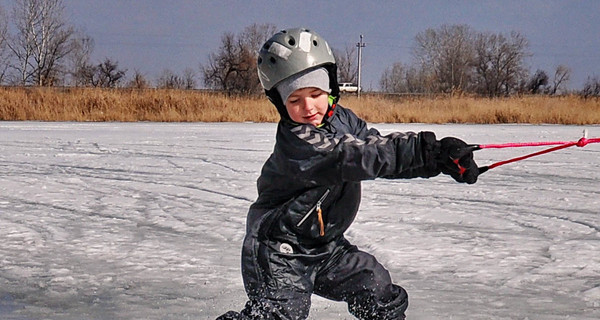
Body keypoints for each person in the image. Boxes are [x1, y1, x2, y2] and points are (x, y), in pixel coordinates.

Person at [217, 27, 479, 320]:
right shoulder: (300, 143)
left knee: (374, 285)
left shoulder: (343, 120)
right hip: (280, 251)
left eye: (315, 93)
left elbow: (377, 148)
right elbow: (355, 155)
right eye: (294, 100)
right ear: (279, 103)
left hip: (326, 247)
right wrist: (426, 150)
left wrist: (437, 161)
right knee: (279, 315)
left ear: (330, 87)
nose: (308, 107)